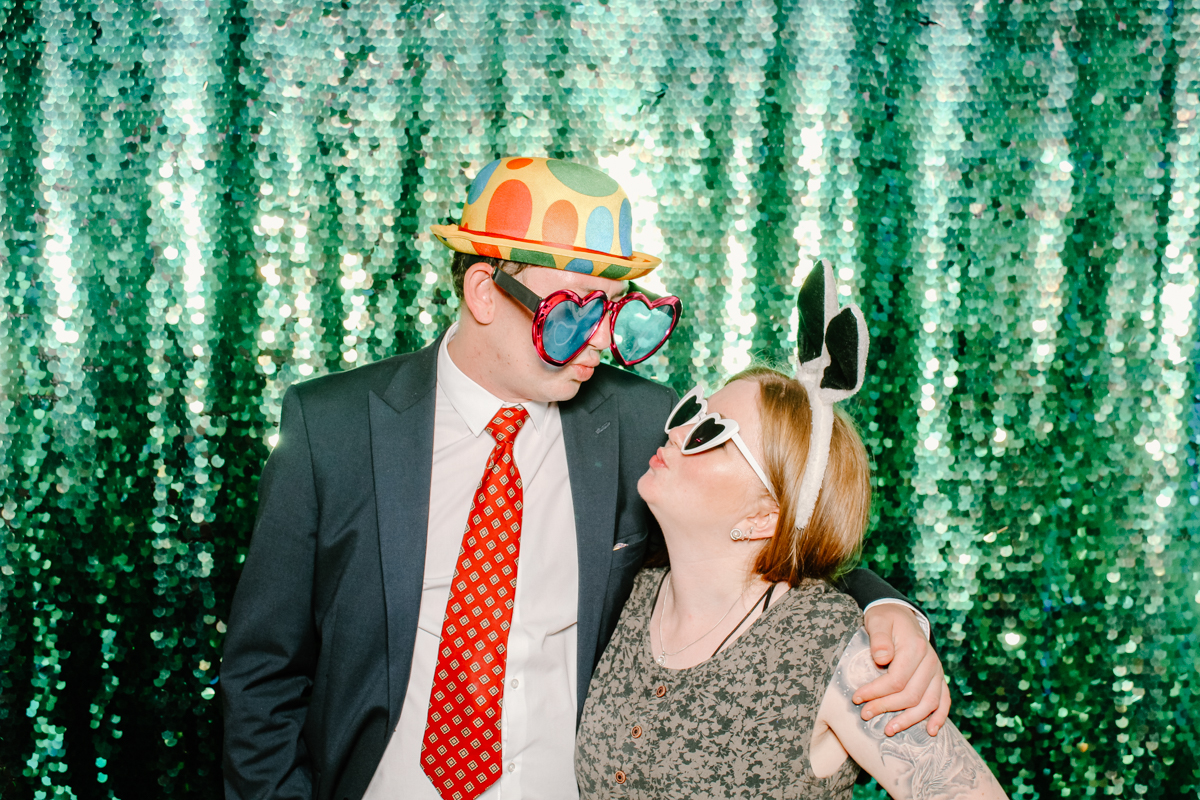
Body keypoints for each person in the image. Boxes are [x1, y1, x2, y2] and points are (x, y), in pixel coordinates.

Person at [220, 157, 949, 800]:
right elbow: (264, 672)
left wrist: (890, 616)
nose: (602, 343)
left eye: (614, 311)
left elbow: (776, 508)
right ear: (484, 294)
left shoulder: (642, 424)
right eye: (571, 314)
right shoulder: (334, 427)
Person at [575, 264, 1006, 799]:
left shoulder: (826, 643)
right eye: (693, 410)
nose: (678, 428)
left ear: (765, 517)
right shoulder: (635, 594)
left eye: (713, 432)